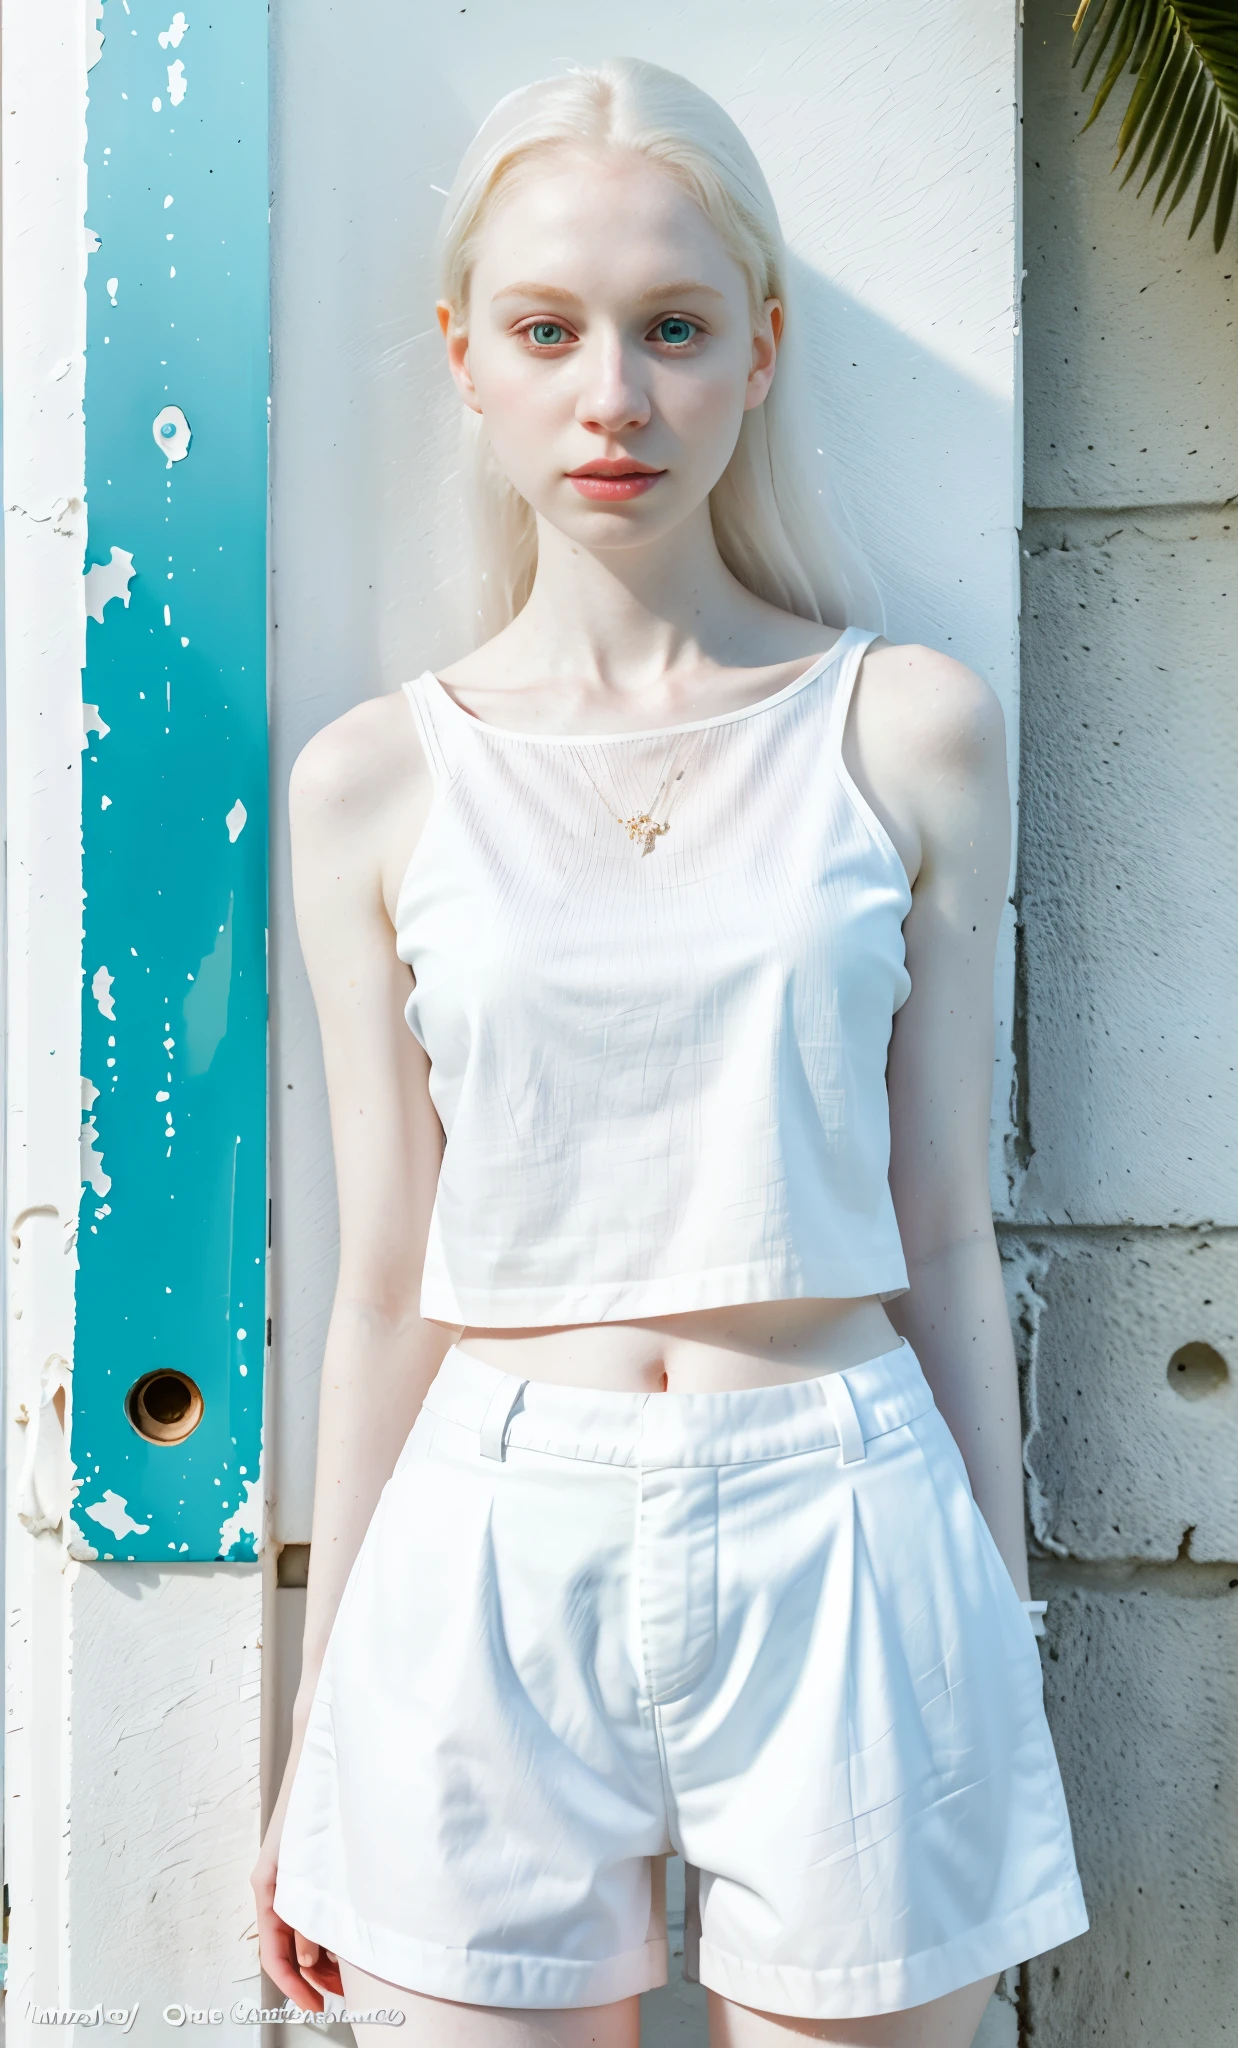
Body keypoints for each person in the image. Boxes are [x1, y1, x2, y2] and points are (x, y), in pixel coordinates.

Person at [254, 57, 1088, 2048]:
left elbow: (941, 1223)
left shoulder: (904, 732)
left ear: (757, 351)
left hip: (843, 1507)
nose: (611, 397)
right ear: (465, 356)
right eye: (547, 331)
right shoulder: (374, 782)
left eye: (672, 330)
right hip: (484, 1529)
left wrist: (993, 1624)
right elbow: (383, 1278)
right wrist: (310, 1731)